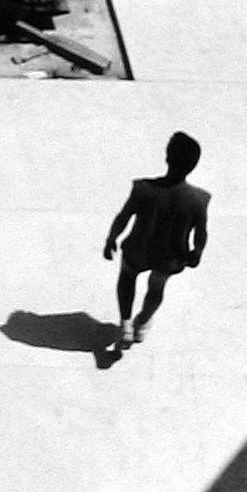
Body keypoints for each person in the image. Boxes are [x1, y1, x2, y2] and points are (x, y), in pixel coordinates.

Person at [103, 132, 209, 349]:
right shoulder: (199, 200)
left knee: (127, 277)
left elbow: (124, 216)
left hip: (139, 247)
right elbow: (201, 231)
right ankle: (142, 322)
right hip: (170, 255)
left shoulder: (144, 189)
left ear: (167, 157)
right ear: (193, 166)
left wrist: (111, 239)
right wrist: (197, 251)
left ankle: (125, 324)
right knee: (157, 287)